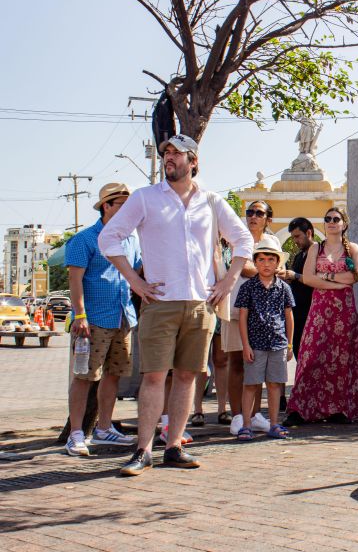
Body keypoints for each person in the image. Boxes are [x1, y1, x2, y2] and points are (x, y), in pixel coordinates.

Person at [99, 134, 254, 476]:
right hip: (160, 302)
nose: (169, 158)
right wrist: (134, 280)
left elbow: (243, 240)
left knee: (187, 376)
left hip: (200, 304)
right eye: (166, 153)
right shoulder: (145, 198)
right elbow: (108, 237)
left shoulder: (211, 201)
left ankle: (173, 446)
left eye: (176, 153)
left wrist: (227, 282)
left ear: (193, 162)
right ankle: (142, 451)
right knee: (153, 377)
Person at [64, 182, 139, 457]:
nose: (127, 211)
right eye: (121, 205)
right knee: (84, 376)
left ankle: (104, 428)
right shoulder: (84, 239)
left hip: (123, 316)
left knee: (113, 375)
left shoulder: (131, 239)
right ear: (106, 206)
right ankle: (75, 433)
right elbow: (75, 280)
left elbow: (139, 269)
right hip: (92, 319)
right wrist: (79, 315)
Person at [284, 207, 358, 425]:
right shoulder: (316, 249)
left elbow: (355, 276)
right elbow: (309, 279)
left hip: (344, 311)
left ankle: (338, 409)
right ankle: (300, 409)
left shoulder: (353, 248)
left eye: (335, 219)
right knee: (311, 356)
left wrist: (326, 275)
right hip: (320, 309)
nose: (331, 222)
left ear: (344, 224)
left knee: (340, 358)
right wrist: (337, 282)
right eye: (328, 219)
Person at [222, 200, 276, 436]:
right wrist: (267, 269)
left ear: (268, 218)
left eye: (259, 213)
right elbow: (243, 267)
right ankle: (237, 416)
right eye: (250, 212)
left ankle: (253, 415)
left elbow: (271, 271)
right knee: (236, 363)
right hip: (236, 308)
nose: (253, 216)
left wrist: (265, 269)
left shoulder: (272, 242)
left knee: (257, 366)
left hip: (262, 313)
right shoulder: (238, 238)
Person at [235, 236, 294, 441]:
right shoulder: (248, 287)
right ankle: (247, 424)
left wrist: (289, 343)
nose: (266, 264)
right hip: (256, 344)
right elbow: (242, 316)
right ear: (255, 262)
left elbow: (288, 316)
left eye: (271, 260)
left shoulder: (284, 288)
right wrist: (245, 345)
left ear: (278, 262)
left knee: (275, 384)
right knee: (251, 384)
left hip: (277, 343)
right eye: (261, 259)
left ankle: (274, 422)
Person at [279, 217, 317, 360]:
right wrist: (288, 278)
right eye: (293, 237)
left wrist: (295, 276)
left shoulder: (320, 253)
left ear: (308, 233)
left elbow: (317, 280)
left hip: (312, 314)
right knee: (299, 354)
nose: (295, 241)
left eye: (297, 236)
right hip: (298, 314)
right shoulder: (299, 256)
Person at [190, 318, 229, 427]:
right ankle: (197, 410)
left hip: (221, 312)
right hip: (203, 309)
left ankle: (222, 409)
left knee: (222, 360)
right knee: (201, 361)